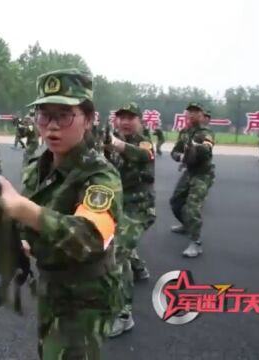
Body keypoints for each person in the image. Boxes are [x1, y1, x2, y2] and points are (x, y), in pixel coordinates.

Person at [0, 69, 124, 359]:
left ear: (89, 119)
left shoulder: (101, 176)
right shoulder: (38, 165)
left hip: (86, 296)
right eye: (44, 115)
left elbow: (91, 236)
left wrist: (22, 208)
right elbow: (33, 223)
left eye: (64, 115)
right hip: (51, 285)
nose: (52, 127)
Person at [103, 102, 155, 338]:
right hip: (117, 206)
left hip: (139, 209)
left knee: (116, 254)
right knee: (121, 247)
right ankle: (140, 267)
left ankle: (124, 316)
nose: (125, 121)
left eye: (130, 117)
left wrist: (117, 144)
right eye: (121, 116)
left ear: (140, 121)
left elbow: (145, 155)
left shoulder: (144, 141)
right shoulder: (109, 142)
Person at [170, 103, 215, 258]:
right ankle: (186, 225)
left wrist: (196, 147)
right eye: (189, 111)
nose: (191, 114)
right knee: (175, 202)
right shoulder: (184, 132)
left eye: (195, 112)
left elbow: (208, 148)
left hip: (203, 174)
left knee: (192, 207)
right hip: (189, 172)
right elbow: (174, 151)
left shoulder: (206, 132)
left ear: (202, 115)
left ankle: (196, 242)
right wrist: (181, 157)